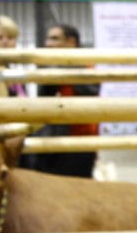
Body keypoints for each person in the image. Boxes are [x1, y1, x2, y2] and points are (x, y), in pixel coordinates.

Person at [18, 24, 99, 178]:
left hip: (81, 141)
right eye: (48, 39)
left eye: (54, 39)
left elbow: (89, 91)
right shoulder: (53, 68)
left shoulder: (87, 66)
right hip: (57, 141)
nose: (48, 44)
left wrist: (62, 69)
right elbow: (43, 99)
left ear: (71, 42)